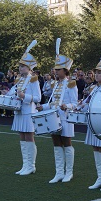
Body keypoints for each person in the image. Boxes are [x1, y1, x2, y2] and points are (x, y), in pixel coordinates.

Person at [36, 38, 78, 183]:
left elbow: (74, 103)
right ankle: (59, 172)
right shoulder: (55, 84)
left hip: (65, 117)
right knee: (56, 143)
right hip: (54, 117)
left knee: (67, 143)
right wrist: (43, 107)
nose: (55, 71)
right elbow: (53, 102)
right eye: (55, 69)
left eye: (58, 69)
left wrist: (67, 106)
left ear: (65, 70)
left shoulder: (71, 84)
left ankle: (69, 172)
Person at [2, 40, 41, 175]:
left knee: (29, 137)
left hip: (28, 112)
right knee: (22, 137)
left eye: (23, 66)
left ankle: (31, 165)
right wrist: (6, 94)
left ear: (29, 68)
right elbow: (13, 91)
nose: (20, 68)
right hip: (19, 111)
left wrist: (25, 96)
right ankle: (25, 165)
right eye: (19, 66)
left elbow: (38, 98)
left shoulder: (33, 79)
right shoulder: (19, 80)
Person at [79, 45, 101, 191]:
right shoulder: (93, 88)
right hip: (92, 121)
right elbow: (88, 102)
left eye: (99, 73)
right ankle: (100, 177)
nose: (96, 75)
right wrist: (80, 106)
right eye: (96, 72)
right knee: (95, 149)